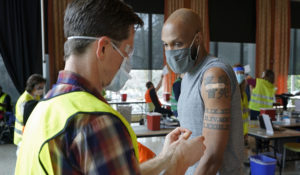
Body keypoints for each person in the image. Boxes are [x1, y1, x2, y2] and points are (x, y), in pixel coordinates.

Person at [15, 1, 206, 174]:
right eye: (127, 50)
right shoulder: (95, 121)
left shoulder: (44, 108)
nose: (128, 62)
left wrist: (166, 158)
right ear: (103, 47)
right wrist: (180, 162)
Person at [162, 8, 244, 174]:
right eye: (166, 45)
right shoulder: (186, 78)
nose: (171, 51)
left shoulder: (214, 76)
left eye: (177, 44)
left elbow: (212, 157)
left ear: (197, 39)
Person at [14, 74, 46, 145]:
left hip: (27, 135)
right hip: (22, 137)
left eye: (43, 87)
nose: (42, 90)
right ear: (31, 87)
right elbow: (27, 119)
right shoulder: (24, 101)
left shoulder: (35, 96)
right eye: (39, 87)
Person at [233, 64, 249, 145]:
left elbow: (245, 115)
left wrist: (246, 133)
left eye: (242, 73)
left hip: (243, 134)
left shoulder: (244, 94)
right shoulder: (231, 92)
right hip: (234, 134)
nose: (240, 75)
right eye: (238, 73)